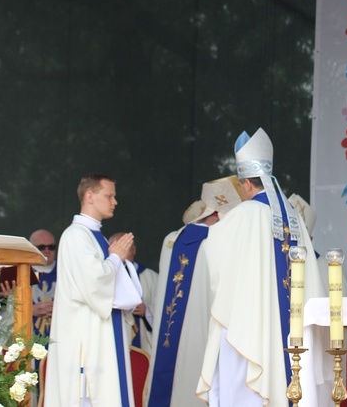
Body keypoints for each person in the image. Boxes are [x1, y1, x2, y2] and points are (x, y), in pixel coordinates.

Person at [196, 128, 325, 406]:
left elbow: (214, 260)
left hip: (249, 325)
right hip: (291, 328)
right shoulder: (296, 218)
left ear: (245, 184)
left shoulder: (242, 215)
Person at [44, 174, 142, 407]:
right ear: (89, 196)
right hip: (86, 342)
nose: (114, 202)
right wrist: (116, 258)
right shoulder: (76, 236)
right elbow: (95, 283)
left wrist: (117, 260)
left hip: (101, 336)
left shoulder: (95, 236)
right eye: (108, 196)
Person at [146, 176, 242, 407]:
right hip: (207, 337)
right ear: (218, 214)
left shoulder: (171, 240)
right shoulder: (220, 242)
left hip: (170, 343)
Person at [109, 231, 159, 355]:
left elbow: (165, 310)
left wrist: (147, 311)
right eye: (119, 247)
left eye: (127, 247)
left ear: (134, 250)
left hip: (143, 340)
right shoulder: (105, 276)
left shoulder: (150, 277)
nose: (124, 251)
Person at [30, 229, 57, 339]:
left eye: (51, 247)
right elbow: (5, 310)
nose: (47, 250)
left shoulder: (65, 272)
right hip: (28, 341)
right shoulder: (19, 272)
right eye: (41, 247)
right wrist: (30, 310)